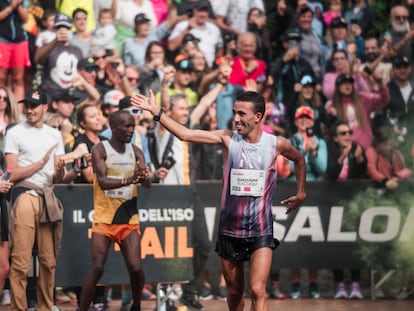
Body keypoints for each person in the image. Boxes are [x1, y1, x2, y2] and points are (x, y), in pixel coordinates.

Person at [132, 90, 306, 311]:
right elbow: (185, 134)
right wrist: (157, 112)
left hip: (260, 229)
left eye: (242, 114)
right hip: (230, 230)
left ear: (258, 116)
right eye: (234, 113)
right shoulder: (227, 138)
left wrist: (301, 193)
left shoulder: (276, 144)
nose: (236, 119)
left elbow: (299, 160)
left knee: (257, 290)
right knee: (234, 293)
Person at [3, 88, 80, 311]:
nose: (29, 110)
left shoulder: (54, 134)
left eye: (34, 105)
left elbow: (58, 177)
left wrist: (63, 170)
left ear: (45, 108)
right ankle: (19, 307)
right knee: (21, 261)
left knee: (49, 260)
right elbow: (11, 173)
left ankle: (45, 307)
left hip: (48, 194)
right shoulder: (15, 132)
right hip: (24, 194)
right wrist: (41, 162)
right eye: (26, 105)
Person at [79, 110, 151, 311]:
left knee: (136, 268)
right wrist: (129, 179)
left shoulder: (136, 151)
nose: (131, 130)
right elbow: (102, 182)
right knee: (97, 268)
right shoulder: (100, 149)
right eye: (126, 126)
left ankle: (136, 305)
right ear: (113, 128)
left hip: (128, 218)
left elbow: (147, 184)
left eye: (132, 126)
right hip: (104, 219)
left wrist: (145, 177)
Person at [326, 121, 366, 299]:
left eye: (349, 132)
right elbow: (331, 174)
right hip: (333, 203)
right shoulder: (330, 151)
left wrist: (358, 159)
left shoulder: (357, 149)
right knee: (336, 245)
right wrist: (343, 156)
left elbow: (361, 174)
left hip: (353, 203)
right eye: (343, 133)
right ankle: (340, 285)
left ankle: (356, 285)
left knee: (355, 244)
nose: (348, 136)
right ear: (335, 137)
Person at [0, 0, 30, 103]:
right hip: (2, 40)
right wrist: (11, 7)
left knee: (18, 79)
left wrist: (18, 6)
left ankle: (17, 115)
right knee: (1, 78)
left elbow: (25, 19)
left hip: (20, 41)